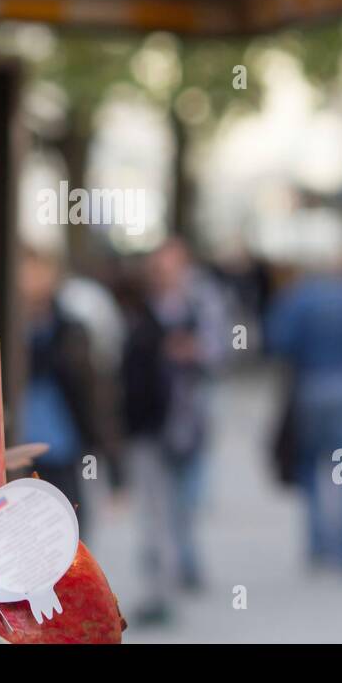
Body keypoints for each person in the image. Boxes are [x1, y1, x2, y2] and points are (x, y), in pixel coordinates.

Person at [120, 237, 228, 624]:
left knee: (187, 504)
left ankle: (185, 562)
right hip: (151, 428)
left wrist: (195, 350)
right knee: (155, 512)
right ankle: (160, 588)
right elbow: (129, 373)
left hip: (190, 427)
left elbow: (223, 352)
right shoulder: (141, 316)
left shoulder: (202, 308)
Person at [265, 212, 342, 572]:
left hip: (310, 386)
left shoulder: (297, 298)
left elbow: (278, 341)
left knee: (311, 467)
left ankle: (318, 545)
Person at [17, 248, 120, 543]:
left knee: (68, 525)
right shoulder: (8, 326)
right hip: (16, 446)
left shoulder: (70, 329)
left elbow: (95, 396)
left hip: (61, 442)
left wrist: (114, 466)